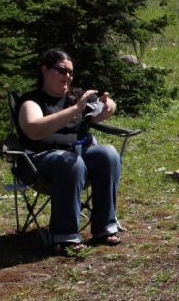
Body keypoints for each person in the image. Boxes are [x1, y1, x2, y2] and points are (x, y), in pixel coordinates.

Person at [17, 48, 122, 253]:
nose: (67, 76)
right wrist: (75, 110)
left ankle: (105, 227)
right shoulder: (32, 101)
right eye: (62, 70)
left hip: (78, 155)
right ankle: (65, 235)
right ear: (45, 70)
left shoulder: (76, 96)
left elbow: (107, 107)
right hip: (39, 162)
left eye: (71, 73)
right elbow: (34, 129)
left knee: (108, 154)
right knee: (70, 162)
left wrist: (107, 104)